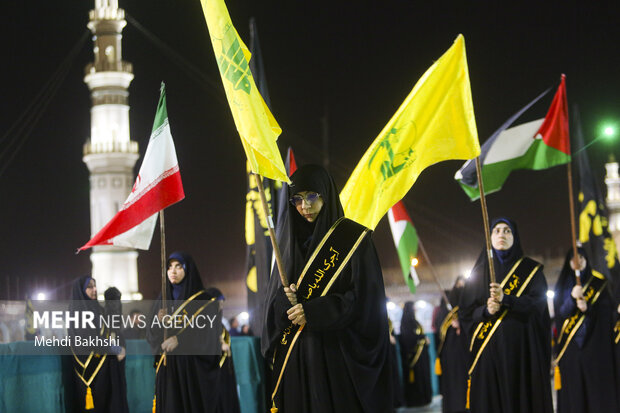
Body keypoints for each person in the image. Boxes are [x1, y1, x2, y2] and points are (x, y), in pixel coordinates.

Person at [261, 164, 392, 413]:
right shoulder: (286, 247)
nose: (305, 207)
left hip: (338, 358)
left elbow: (365, 301)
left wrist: (315, 311)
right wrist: (283, 302)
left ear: (326, 194)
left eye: (312, 197)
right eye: (297, 199)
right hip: (298, 362)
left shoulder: (355, 239)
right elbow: (273, 308)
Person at [459, 218, 553, 413]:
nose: (502, 234)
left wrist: (507, 299)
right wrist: (486, 311)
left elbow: (538, 305)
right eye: (497, 231)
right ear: (490, 237)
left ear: (515, 237)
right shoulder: (477, 273)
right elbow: (466, 314)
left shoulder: (531, 270)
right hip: (488, 357)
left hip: (521, 352)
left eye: (507, 231)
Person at [146, 252, 227, 413]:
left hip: (192, 370)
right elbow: (151, 335)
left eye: (178, 267)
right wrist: (158, 322)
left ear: (188, 269)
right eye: (169, 267)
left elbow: (209, 337)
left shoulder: (204, 301)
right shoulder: (163, 297)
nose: (172, 272)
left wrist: (181, 341)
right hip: (168, 369)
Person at [553, 248, 619, 412]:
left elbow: (606, 314)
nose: (578, 261)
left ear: (586, 260)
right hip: (572, 350)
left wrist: (587, 308)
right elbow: (560, 315)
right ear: (568, 262)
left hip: (594, 347)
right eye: (573, 258)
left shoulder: (598, 283)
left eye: (581, 257)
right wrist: (572, 299)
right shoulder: (562, 286)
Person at [68, 276, 129, 413]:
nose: (94, 290)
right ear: (81, 290)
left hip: (105, 367)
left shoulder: (99, 310)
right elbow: (87, 338)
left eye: (95, 286)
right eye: (89, 286)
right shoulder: (77, 312)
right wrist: (115, 348)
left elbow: (111, 330)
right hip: (91, 369)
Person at [434, 276, 468, 413]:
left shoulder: (468, 306)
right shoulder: (445, 311)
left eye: (463, 286)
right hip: (450, 352)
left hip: (465, 351)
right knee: (453, 382)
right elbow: (439, 328)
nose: (461, 289)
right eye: (459, 286)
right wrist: (453, 325)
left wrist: (463, 325)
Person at [399, 301, 432, 407]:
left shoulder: (415, 322)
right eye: (413, 308)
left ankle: (425, 398)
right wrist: (422, 339)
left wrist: (424, 339)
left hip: (422, 358)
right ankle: (415, 400)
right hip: (413, 358)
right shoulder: (405, 323)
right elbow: (408, 339)